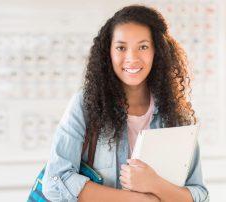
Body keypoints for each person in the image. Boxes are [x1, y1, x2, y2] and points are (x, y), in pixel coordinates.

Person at [42, 4, 209, 202]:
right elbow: (55, 182)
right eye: (121, 48)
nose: (132, 58)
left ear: (157, 51)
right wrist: (138, 200)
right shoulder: (85, 105)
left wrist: (154, 184)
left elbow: (199, 195)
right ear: (108, 53)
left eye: (143, 47)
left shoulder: (177, 115)